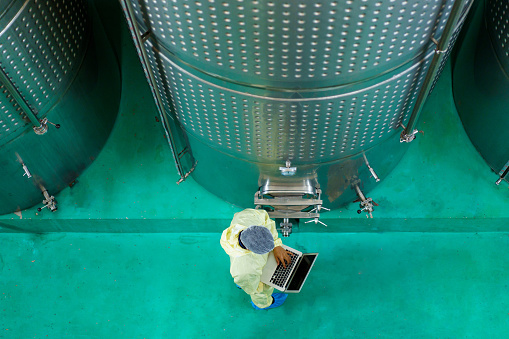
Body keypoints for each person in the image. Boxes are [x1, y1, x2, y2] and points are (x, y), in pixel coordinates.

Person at [220, 208, 293, 310]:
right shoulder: (245, 270)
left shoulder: (249, 216)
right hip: (246, 276)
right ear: (251, 250)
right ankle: (263, 305)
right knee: (257, 287)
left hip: (246, 272)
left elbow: (266, 220)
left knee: (245, 279)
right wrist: (263, 298)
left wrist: (276, 246)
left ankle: (240, 283)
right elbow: (255, 290)